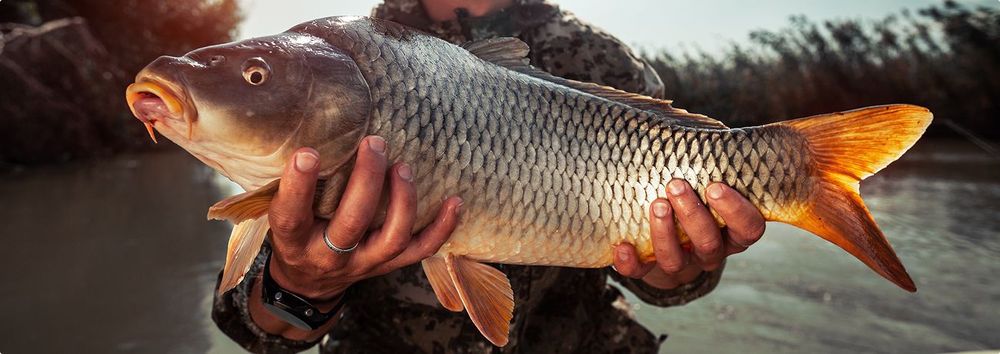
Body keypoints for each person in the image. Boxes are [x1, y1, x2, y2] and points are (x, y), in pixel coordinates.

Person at [212, 0, 767, 352]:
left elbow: (670, 284)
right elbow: (257, 328)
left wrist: (675, 268)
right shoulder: (347, 60)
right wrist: (302, 285)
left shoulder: (601, 61)